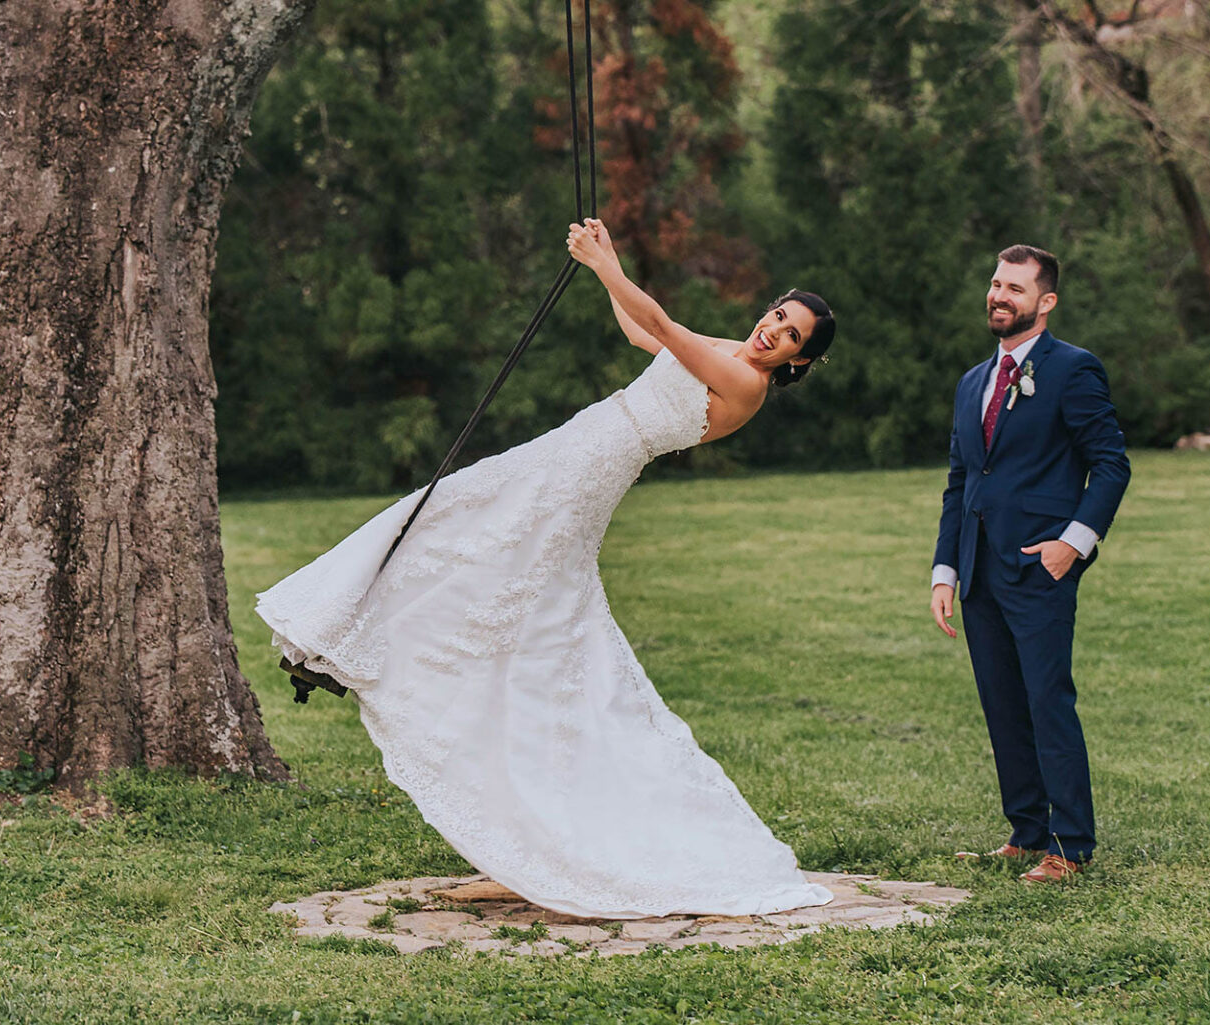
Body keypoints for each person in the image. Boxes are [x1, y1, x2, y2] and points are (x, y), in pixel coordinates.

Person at [257, 217, 836, 918]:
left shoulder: (745, 383)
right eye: (780, 315)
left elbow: (664, 322)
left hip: (591, 467)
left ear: (799, 362)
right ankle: (344, 628)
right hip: (579, 443)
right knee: (451, 515)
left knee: (473, 540)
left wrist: (602, 264)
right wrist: (613, 263)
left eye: (792, 336)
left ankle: (356, 636)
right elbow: (640, 332)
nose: (775, 331)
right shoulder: (728, 349)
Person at [930, 245, 1130, 884]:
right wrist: (945, 571)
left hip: (1040, 567)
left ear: (1044, 302)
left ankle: (1070, 848)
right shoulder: (971, 382)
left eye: (1014, 287)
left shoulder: (1073, 369)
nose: (999, 295)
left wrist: (1073, 542)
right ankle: (1025, 833)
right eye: (995, 283)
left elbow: (1110, 463)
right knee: (1002, 704)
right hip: (979, 571)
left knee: (1047, 701)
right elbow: (962, 480)